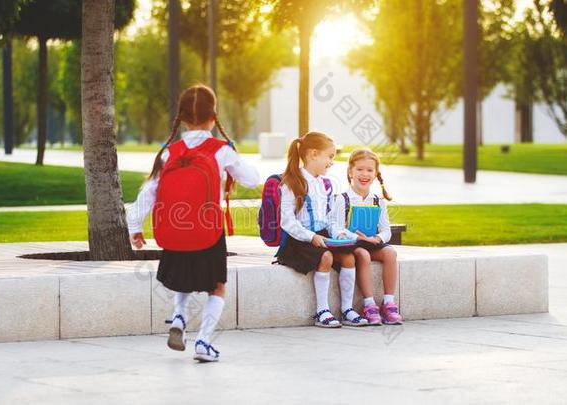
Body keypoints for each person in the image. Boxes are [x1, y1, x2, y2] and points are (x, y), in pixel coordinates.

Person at [127, 84, 259, 362]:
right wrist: (233, 153)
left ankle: (178, 317)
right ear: (214, 116)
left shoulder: (168, 152)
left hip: (175, 232)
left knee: (182, 280)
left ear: (183, 118)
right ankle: (204, 341)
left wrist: (135, 227)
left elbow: (148, 191)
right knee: (216, 286)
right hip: (208, 230)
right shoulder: (220, 150)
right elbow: (251, 179)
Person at [275, 132, 368, 328]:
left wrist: (340, 234)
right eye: (330, 156)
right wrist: (310, 236)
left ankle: (346, 309)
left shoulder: (324, 184)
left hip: (321, 235)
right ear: (313, 154)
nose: (332, 162)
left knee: (349, 257)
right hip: (298, 240)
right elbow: (287, 221)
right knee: (326, 257)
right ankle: (322, 311)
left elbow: (329, 219)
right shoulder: (292, 182)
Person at [330, 148, 402, 325]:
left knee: (390, 253)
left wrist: (377, 239)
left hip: (371, 241)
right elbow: (334, 226)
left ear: (376, 173)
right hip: (352, 244)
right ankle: (369, 304)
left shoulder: (378, 200)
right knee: (363, 254)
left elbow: (386, 229)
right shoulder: (343, 199)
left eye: (370, 170)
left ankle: (388, 303)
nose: (364, 174)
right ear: (350, 172)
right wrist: (352, 235)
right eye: (359, 169)